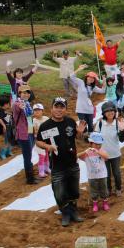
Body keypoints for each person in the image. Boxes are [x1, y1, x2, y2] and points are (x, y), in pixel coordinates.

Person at [36, 97, 88, 227]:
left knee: (74, 191)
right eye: (56, 106)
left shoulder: (70, 121)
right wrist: (48, 147)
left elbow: (77, 137)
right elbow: (38, 141)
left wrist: (80, 133)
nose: (59, 110)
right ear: (52, 108)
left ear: (65, 109)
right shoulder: (45, 126)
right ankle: (65, 213)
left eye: (62, 107)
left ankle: (73, 212)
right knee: (59, 192)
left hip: (72, 163)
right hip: (57, 166)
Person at [94, 102, 124, 196]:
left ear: (115, 112)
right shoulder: (100, 123)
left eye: (112, 111)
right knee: (106, 174)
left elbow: (122, 139)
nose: (110, 113)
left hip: (115, 154)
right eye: (107, 111)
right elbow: (95, 138)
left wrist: (121, 130)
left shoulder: (118, 123)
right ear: (104, 113)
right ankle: (108, 189)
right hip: (103, 154)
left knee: (116, 173)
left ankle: (118, 189)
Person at [78, 132, 111, 213]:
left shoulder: (102, 151)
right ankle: (95, 204)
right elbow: (77, 156)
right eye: (96, 144)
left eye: (99, 144)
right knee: (93, 190)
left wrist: (98, 151)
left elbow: (106, 157)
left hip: (102, 175)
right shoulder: (87, 153)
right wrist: (85, 152)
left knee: (104, 189)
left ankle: (105, 203)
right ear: (91, 143)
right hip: (92, 176)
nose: (98, 146)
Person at [13, 84, 38, 184]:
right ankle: (30, 178)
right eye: (24, 92)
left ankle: (30, 175)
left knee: (29, 153)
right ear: (19, 93)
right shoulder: (17, 103)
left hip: (30, 131)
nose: (26, 94)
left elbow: (29, 117)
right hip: (23, 133)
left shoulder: (27, 103)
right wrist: (20, 106)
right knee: (27, 156)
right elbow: (18, 108)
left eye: (28, 92)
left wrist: (33, 130)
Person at [70, 66, 106, 133]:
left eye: (93, 78)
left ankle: (90, 138)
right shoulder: (81, 83)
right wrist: (79, 69)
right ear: (86, 77)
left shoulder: (93, 87)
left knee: (90, 126)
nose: (91, 79)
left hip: (89, 109)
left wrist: (104, 81)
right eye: (90, 77)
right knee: (83, 125)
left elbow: (103, 91)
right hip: (81, 109)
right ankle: (82, 137)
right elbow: (71, 77)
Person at [32, 103, 50, 178]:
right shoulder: (33, 120)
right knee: (42, 156)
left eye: (39, 110)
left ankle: (47, 168)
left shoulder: (46, 118)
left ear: (42, 111)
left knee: (46, 155)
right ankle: (41, 171)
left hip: (46, 140)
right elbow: (33, 131)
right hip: (39, 141)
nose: (37, 112)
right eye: (35, 110)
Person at [0, 94, 13, 159]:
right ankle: (2, 153)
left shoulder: (4, 110)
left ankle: (8, 151)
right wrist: (4, 126)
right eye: (9, 103)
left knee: (10, 140)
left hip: (9, 127)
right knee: (7, 140)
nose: (9, 105)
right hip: (5, 128)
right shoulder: (0, 111)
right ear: (5, 104)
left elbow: (5, 115)